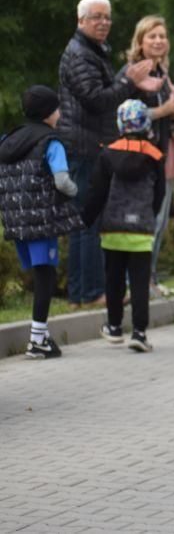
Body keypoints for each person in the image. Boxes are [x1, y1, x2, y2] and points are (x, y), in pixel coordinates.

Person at [58, 0, 162, 309]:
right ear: (81, 21)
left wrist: (131, 82)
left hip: (89, 144)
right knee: (89, 220)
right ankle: (90, 293)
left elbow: (103, 94)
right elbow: (97, 100)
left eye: (107, 17)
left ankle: (81, 294)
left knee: (84, 221)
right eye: (96, 17)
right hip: (84, 147)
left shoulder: (93, 50)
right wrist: (129, 81)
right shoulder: (80, 54)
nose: (103, 22)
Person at [121, 15, 174, 298]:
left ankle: (150, 279)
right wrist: (164, 111)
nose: (158, 41)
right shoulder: (132, 73)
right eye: (152, 36)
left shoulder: (162, 74)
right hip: (138, 160)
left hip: (162, 159)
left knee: (160, 224)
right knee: (146, 224)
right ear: (140, 41)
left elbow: (168, 122)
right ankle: (135, 284)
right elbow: (124, 117)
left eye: (162, 36)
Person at [0, 86, 83, 359]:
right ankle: (37, 340)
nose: (59, 113)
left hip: (16, 220)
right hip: (42, 220)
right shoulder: (51, 142)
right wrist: (76, 192)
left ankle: (41, 336)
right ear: (48, 113)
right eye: (57, 108)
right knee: (45, 275)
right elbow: (62, 181)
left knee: (39, 274)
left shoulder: (8, 140)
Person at [81, 100, 165, 353]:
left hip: (113, 227)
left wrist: (85, 219)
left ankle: (115, 327)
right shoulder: (155, 155)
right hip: (141, 229)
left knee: (114, 279)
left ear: (119, 124)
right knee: (139, 281)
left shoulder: (107, 153)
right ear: (146, 123)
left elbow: (97, 192)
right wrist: (150, 215)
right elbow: (160, 193)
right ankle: (139, 332)